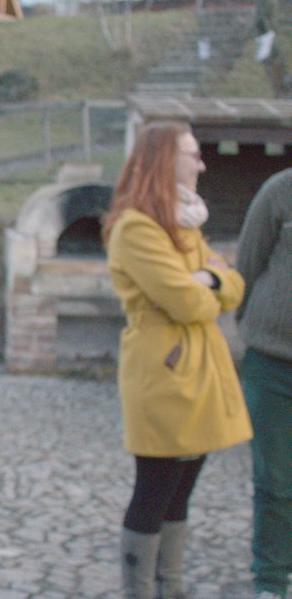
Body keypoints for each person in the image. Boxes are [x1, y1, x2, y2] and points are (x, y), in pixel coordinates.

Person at [102, 121, 252, 599]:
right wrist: (212, 281)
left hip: (201, 371)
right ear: (165, 161)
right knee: (154, 490)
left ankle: (174, 589)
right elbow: (190, 303)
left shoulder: (184, 223)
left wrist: (208, 281)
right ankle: (141, 591)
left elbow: (235, 283)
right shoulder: (137, 228)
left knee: (181, 491)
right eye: (193, 154)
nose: (202, 163)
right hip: (164, 376)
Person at [235, 167, 292, 599]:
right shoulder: (280, 189)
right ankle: (271, 580)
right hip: (273, 361)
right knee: (275, 480)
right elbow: (248, 264)